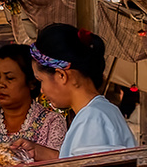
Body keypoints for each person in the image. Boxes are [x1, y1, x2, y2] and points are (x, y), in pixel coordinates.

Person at [31, 24, 135, 158]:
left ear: (61, 75)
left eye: (41, 80)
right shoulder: (101, 112)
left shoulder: (92, 119)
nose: (42, 90)